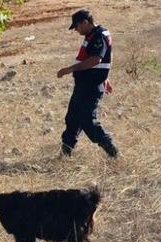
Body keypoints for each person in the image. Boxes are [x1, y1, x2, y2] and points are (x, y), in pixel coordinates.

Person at [57, 9, 118, 159]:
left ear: (85, 22)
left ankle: (112, 151)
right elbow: (105, 60)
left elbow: (96, 59)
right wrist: (106, 78)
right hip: (84, 85)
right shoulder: (92, 35)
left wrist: (69, 69)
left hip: (90, 87)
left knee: (87, 121)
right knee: (72, 119)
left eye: (76, 26)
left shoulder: (99, 36)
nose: (76, 30)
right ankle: (66, 153)